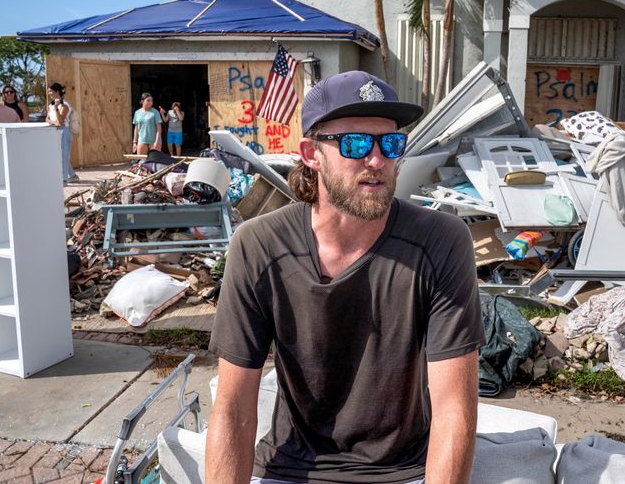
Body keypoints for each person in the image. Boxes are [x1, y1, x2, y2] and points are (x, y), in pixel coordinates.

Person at [207, 71, 485, 484]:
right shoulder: (260, 246)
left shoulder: (441, 241)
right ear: (310, 153)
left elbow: (454, 408)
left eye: (391, 144)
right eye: (355, 143)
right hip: (293, 468)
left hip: (404, 471)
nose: (377, 160)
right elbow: (233, 408)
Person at [46, 82, 79, 183]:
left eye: (51, 91)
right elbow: (47, 119)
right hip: (54, 131)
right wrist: (54, 122)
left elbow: (61, 121)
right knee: (59, 155)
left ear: (57, 91)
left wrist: (56, 108)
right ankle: (72, 175)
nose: (49, 93)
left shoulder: (65, 105)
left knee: (64, 155)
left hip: (64, 132)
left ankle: (63, 179)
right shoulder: (50, 106)